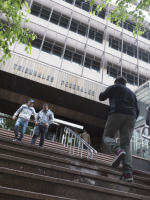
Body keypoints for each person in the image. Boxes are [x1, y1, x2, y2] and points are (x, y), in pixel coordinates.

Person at [99, 76, 139, 182]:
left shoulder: (115, 87)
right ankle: (128, 174)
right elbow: (137, 110)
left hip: (117, 112)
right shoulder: (132, 93)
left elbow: (101, 97)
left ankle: (117, 150)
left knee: (107, 136)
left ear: (116, 82)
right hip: (132, 116)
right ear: (125, 83)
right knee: (126, 144)